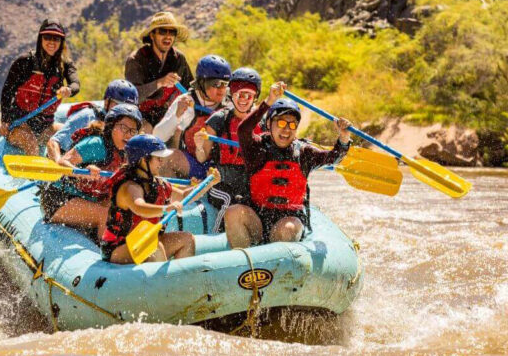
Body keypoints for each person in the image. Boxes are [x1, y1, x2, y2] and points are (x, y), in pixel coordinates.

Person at [223, 83, 352, 248]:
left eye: (292, 125)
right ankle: (244, 266)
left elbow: (333, 158)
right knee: (233, 212)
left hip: (288, 221)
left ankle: (277, 268)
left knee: (288, 229)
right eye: (281, 123)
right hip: (258, 220)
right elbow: (243, 130)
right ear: (269, 124)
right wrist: (269, 101)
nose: (286, 130)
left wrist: (343, 138)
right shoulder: (257, 148)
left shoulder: (304, 153)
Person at [100, 134, 219, 264]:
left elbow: (184, 196)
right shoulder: (129, 187)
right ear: (143, 160)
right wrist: (165, 208)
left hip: (146, 242)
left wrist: (208, 184)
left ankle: (180, 279)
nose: (162, 162)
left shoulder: (158, 183)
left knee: (186, 239)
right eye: (158, 159)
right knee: (155, 248)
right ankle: (166, 282)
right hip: (119, 248)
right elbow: (139, 207)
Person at [39, 105, 143, 236]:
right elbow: (62, 163)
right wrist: (81, 171)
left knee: (121, 211)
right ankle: (107, 253)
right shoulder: (96, 144)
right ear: (111, 126)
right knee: (105, 215)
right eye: (123, 128)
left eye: (133, 131)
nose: (128, 134)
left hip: (88, 200)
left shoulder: (125, 154)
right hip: (59, 198)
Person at [193, 67, 262, 231]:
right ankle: (217, 237)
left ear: (255, 97)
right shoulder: (219, 119)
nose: (243, 99)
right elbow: (202, 158)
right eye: (239, 94)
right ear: (232, 95)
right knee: (230, 200)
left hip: (248, 180)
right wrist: (199, 145)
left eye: (248, 95)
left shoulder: (263, 121)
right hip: (221, 180)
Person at [0, 19, 80, 155]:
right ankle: (32, 177)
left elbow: (76, 84)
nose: (52, 42)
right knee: (31, 143)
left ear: (61, 42)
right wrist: (5, 120)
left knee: (72, 135)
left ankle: (66, 173)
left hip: (44, 127)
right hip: (19, 125)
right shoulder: (25, 62)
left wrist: (69, 89)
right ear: (40, 38)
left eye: (56, 39)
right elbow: (7, 91)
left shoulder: (65, 65)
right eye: (47, 37)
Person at [124, 11, 193, 130]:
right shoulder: (136, 60)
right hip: (139, 115)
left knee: (180, 128)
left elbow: (190, 88)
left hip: (168, 114)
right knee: (147, 129)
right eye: (162, 31)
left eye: (172, 32)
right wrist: (159, 83)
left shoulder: (179, 59)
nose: (168, 36)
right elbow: (132, 97)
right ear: (152, 35)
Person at [46, 79, 138, 161]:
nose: (125, 111)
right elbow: (53, 142)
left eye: (130, 108)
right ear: (106, 102)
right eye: (120, 105)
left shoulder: (129, 128)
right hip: (68, 164)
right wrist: (59, 164)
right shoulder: (87, 116)